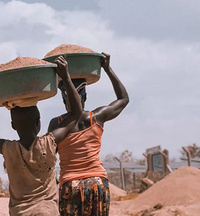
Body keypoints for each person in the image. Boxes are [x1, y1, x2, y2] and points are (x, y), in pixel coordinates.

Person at [0, 56, 83, 216]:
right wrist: (65, 77)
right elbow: (76, 113)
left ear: (13, 125)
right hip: (48, 212)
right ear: (39, 123)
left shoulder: (8, 149)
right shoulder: (49, 143)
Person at [47, 53, 129, 216]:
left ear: (64, 99)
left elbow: (48, 157)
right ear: (85, 96)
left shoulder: (56, 124)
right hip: (97, 183)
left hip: (70, 184)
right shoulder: (97, 117)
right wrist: (108, 69)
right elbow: (123, 99)